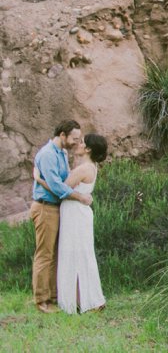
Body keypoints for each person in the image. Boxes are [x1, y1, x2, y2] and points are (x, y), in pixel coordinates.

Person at [35, 134, 108, 314]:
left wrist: (38, 179)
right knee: (79, 254)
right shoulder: (90, 166)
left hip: (75, 213)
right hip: (77, 213)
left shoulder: (83, 168)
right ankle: (82, 298)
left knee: (74, 254)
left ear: (88, 149)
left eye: (82, 142)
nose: (79, 144)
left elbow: (60, 188)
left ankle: (84, 300)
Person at [30, 120, 93, 313]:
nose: (76, 142)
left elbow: (65, 180)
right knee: (45, 254)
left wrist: (40, 179)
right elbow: (58, 186)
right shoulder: (48, 154)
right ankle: (42, 300)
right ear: (62, 135)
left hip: (57, 208)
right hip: (45, 208)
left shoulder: (62, 153)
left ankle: (54, 296)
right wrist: (80, 196)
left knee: (56, 253)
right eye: (74, 139)